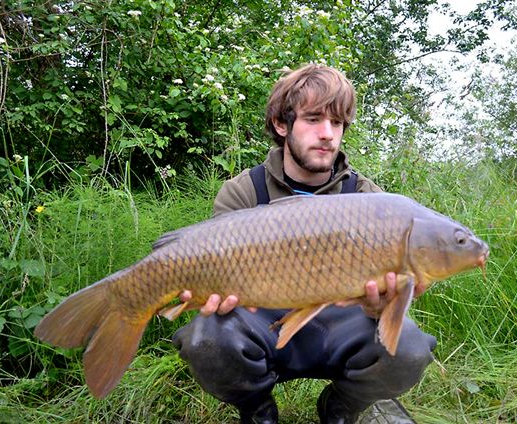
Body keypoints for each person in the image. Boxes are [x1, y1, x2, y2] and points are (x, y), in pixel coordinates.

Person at [172, 64, 437, 424]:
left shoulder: (367, 198)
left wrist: (382, 307)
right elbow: (218, 281)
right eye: (313, 119)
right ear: (283, 125)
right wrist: (212, 296)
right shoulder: (244, 191)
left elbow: (386, 310)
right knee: (206, 337)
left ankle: (342, 407)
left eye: (338, 123)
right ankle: (257, 410)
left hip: (341, 327)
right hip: (261, 323)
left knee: (410, 347)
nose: (327, 134)